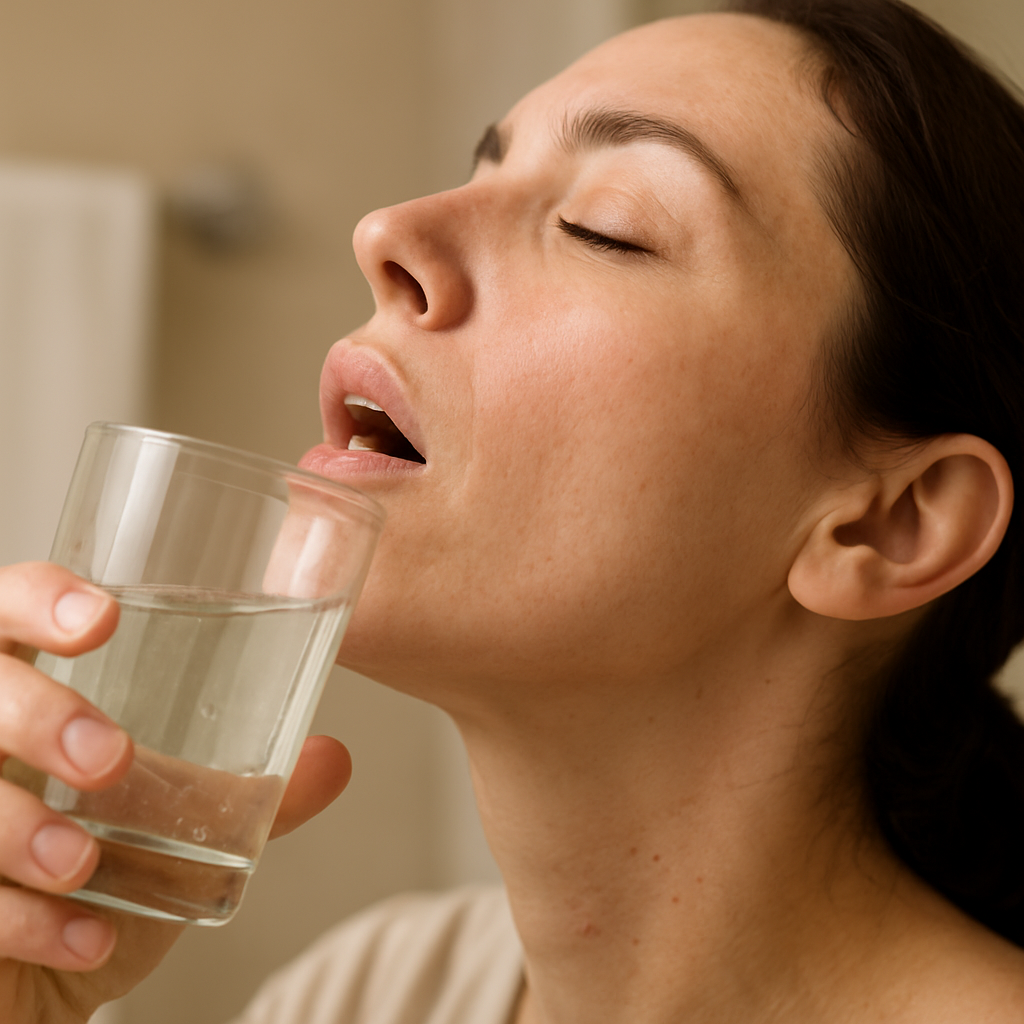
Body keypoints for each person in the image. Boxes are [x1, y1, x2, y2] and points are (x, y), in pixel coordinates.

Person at [2, 0, 1024, 1020]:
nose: (383, 231)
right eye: (481, 169)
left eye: (604, 228)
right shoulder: (366, 993)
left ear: (893, 523)